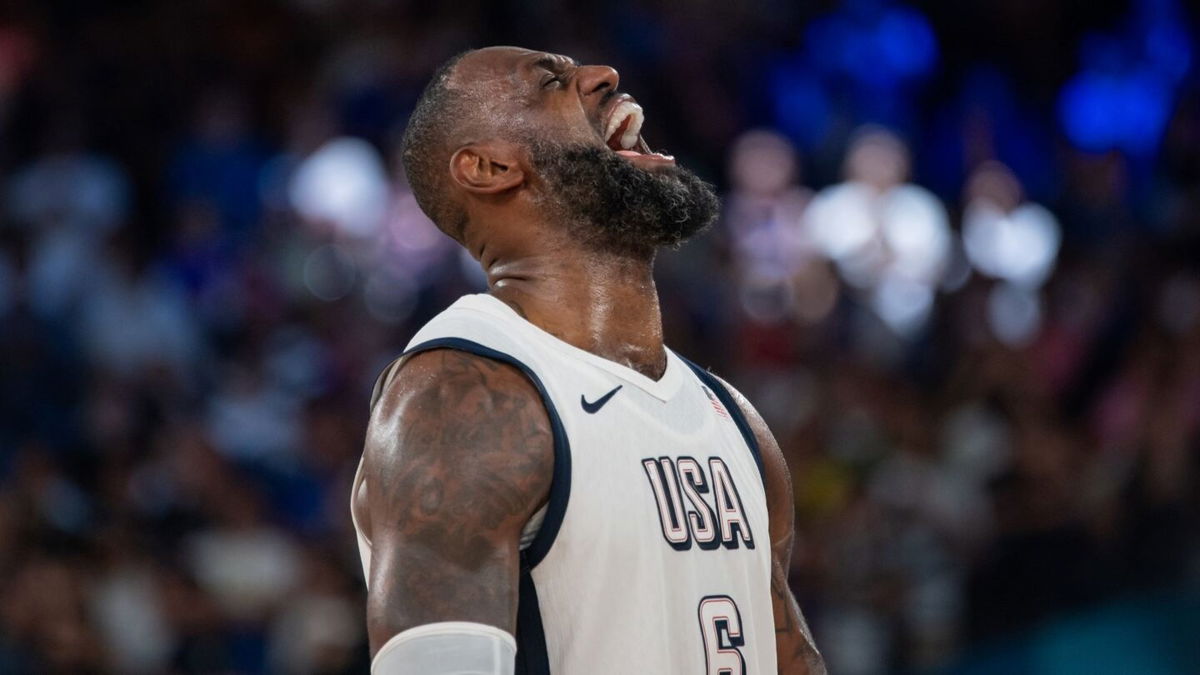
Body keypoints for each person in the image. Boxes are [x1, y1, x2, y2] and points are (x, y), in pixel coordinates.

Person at [350, 46, 825, 675]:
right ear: (489, 167)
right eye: (552, 81)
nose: (605, 75)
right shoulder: (460, 395)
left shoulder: (732, 416)